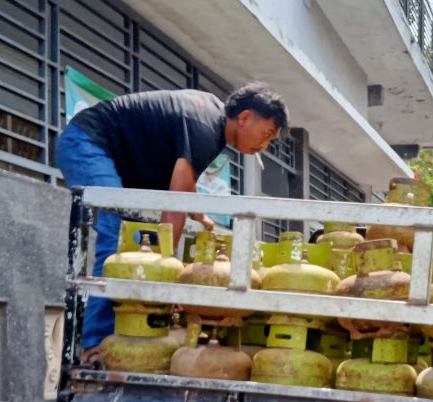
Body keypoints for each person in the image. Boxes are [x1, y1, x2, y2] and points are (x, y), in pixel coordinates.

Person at [55, 82, 288, 358]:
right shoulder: (204, 125)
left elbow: (184, 182)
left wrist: (198, 214)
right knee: (119, 236)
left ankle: (113, 332)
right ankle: (95, 344)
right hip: (88, 142)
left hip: (110, 156)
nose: (264, 145)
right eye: (267, 135)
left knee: (131, 240)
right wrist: (166, 270)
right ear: (246, 117)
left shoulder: (210, 122)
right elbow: (175, 204)